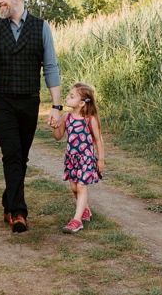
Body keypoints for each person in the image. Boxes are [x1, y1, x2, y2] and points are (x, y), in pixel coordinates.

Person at [0, 0, 63, 233]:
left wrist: (56, 106)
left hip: (29, 101)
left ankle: (7, 202)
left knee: (21, 157)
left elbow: (51, 67)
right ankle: (19, 212)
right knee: (12, 153)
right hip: (1, 101)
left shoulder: (41, 27)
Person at [52, 82, 105, 233]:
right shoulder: (66, 117)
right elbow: (58, 137)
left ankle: (76, 220)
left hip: (86, 158)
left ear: (82, 103)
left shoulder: (90, 119)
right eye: (68, 94)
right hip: (71, 159)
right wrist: (55, 127)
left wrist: (100, 160)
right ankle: (85, 210)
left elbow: (99, 140)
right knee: (75, 189)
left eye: (71, 96)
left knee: (82, 187)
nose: (67, 98)